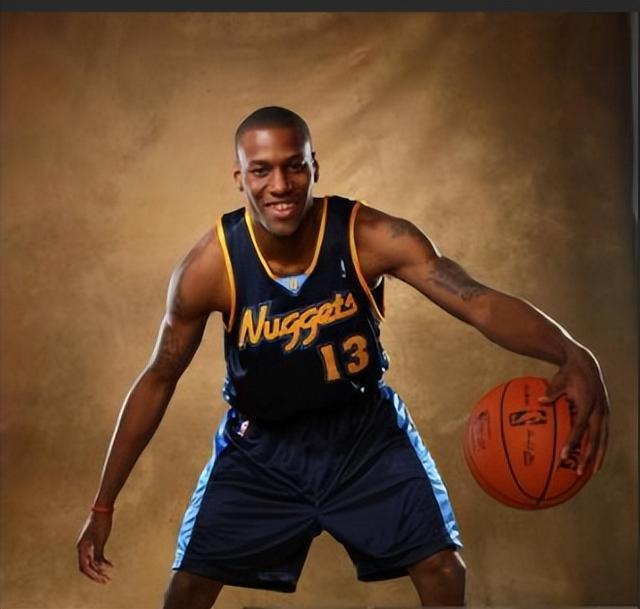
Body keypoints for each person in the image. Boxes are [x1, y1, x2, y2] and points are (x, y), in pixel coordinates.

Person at [76, 106, 610, 608]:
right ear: (240, 177)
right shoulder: (210, 266)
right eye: (261, 170)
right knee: (188, 587)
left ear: (315, 166)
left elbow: (476, 301)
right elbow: (160, 377)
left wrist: (572, 351)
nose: (280, 185)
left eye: (294, 166)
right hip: (261, 448)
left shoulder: (369, 236)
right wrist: (103, 503)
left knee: (444, 571)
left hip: (364, 437)